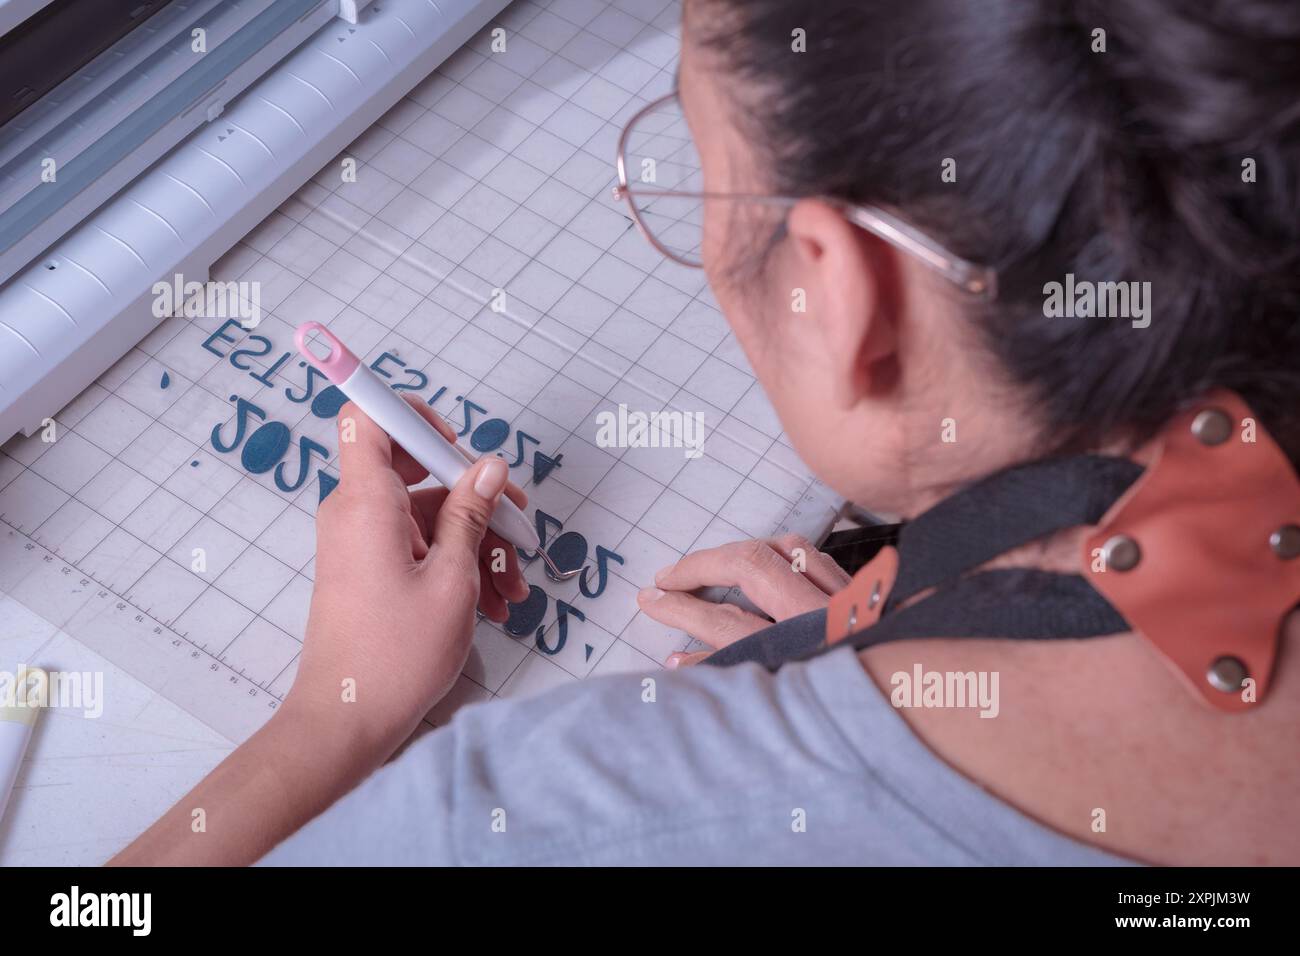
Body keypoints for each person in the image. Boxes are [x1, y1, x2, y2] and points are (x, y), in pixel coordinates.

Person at [111, 0, 1300, 866]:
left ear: (844, 300)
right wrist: (929, 650)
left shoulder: (523, 819)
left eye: (697, 181)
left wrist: (336, 715)